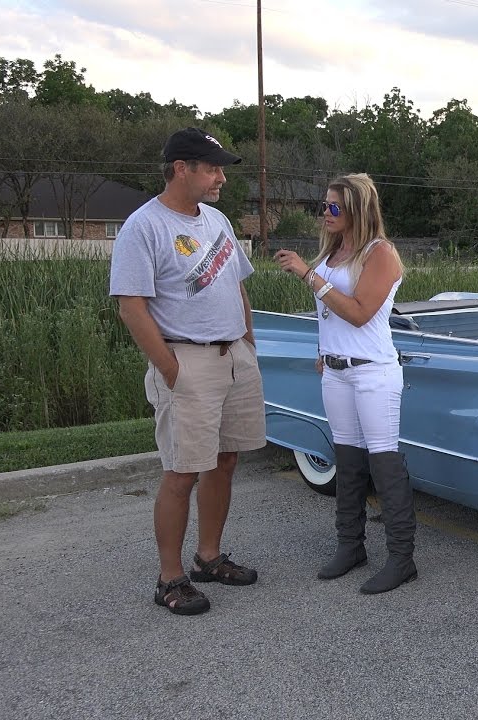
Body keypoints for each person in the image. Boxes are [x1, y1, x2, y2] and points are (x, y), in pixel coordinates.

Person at [110, 127, 266, 616]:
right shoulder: (145, 226)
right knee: (181, 472)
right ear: (182, 169)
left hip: (233, 357)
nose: (220, 178)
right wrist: (171, 370)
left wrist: (247, 340)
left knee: (225, 460)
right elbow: (131, 307)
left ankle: (209, 557)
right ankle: (170, 577)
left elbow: (236, 283)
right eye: (212, 168)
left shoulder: (216, 219)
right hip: (187, 361)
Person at [274, 173, 418, 594]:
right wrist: (324, 349)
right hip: (336, 370)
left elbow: (359, 313)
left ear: (356, 209)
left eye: (334, 207)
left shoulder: (380, 253)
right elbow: (331, 316)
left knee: (384, 461)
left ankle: (401, 558)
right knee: (347, 459)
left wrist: (307, 275)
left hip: (373, 370)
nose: (325, 213)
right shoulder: (333, 251)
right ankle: (350, 545)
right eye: (323, 206)